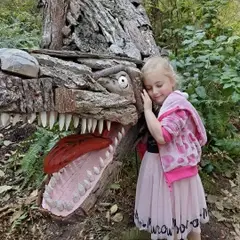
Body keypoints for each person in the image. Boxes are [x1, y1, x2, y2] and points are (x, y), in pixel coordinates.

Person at [134, 56, 209, 240]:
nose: (155, 92)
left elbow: (162, 136)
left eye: (159, 85)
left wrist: (147, 111)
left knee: (177, 215)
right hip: (166, 172)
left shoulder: (177, 107)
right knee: (178, 215)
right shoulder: (166, 105)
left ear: (172, 80)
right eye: (149, 88)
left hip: (175, 173)